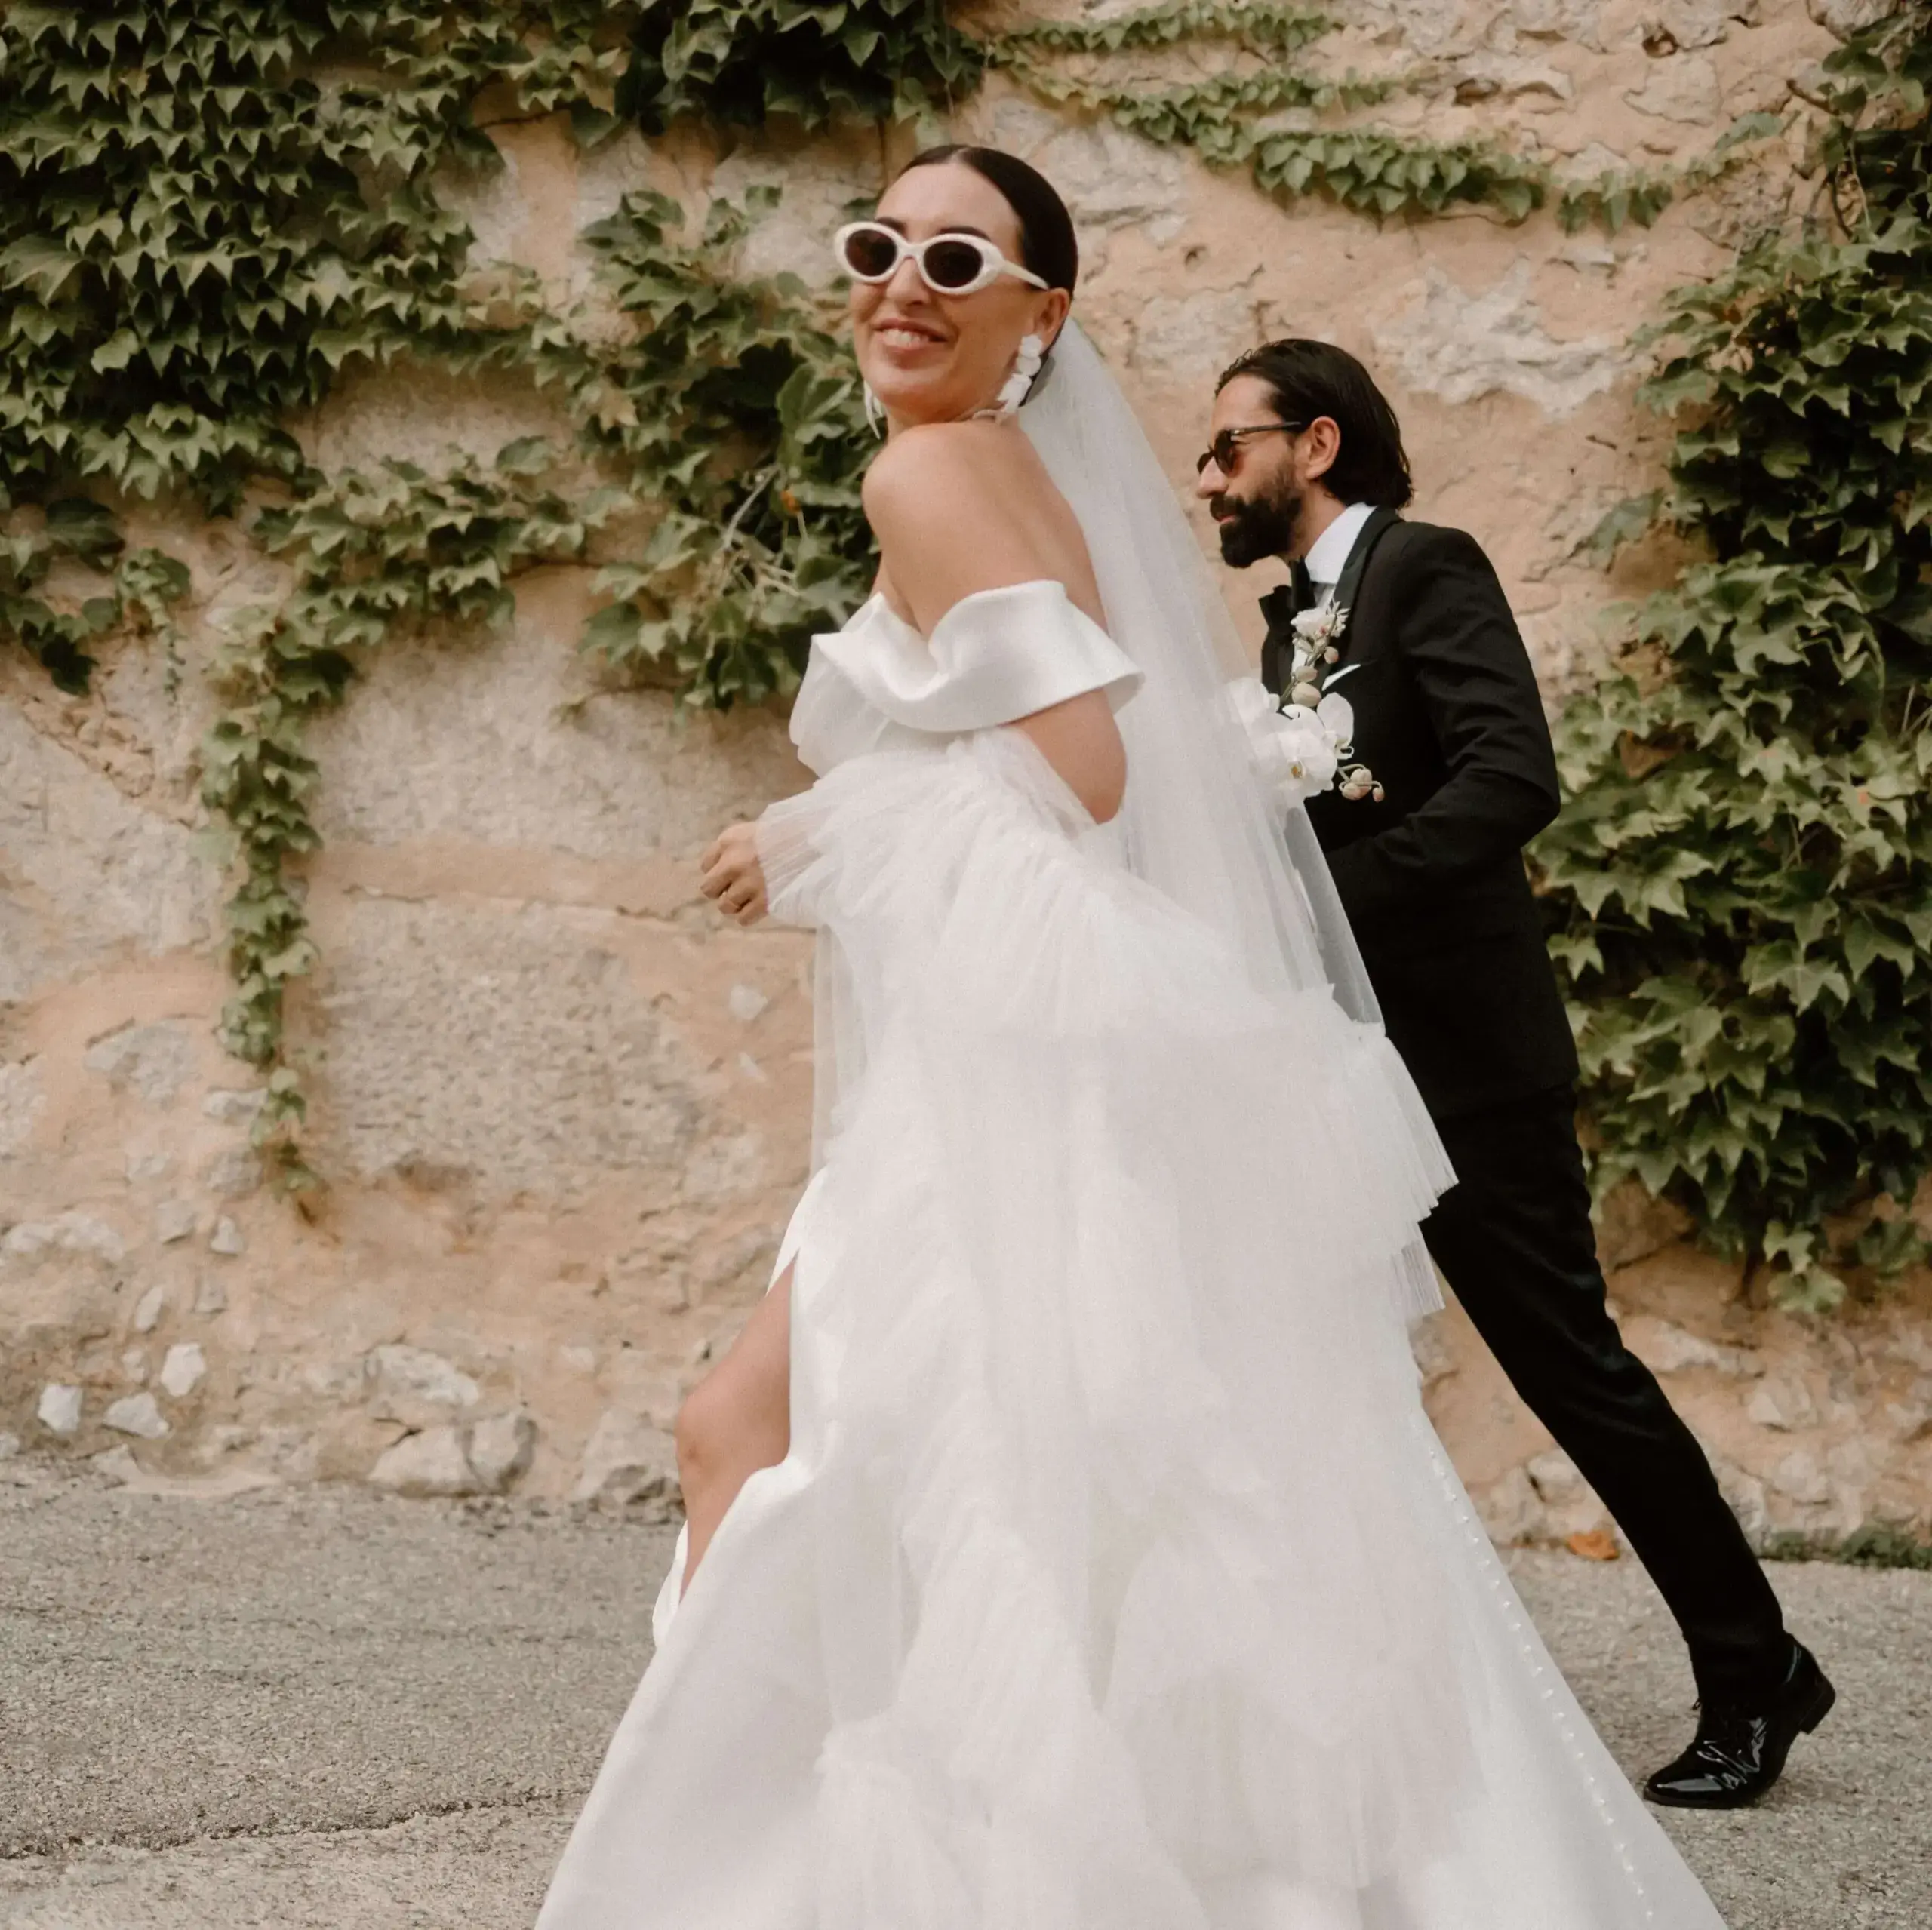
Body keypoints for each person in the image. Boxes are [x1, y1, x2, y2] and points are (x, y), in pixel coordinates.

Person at [537, 147, 1734, 1928]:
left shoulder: (928, 468)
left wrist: (815, 836)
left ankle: (770, 1871)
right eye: (876, 247)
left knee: (821, 1449)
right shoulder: (1014, 466)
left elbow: (1080, 775)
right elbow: (1071, 750)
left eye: (956, 257)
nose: (900, 284)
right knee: (978, 1471)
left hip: (1011, 1064)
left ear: (1041, 310)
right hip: (1039, 1043)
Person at [1195, 337, 1835, 1809]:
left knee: (1571, 1369)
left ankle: (1754, 1669)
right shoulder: (1286, 634)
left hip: (1467, 1066)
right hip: (1334, 1074)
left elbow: (1507, 777)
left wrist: (1324, 911)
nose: (1209, 478)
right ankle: (1332, 1700)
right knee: (1299, 1363)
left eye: (1228, 447)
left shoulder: (1430, 570)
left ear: (1318, 444)